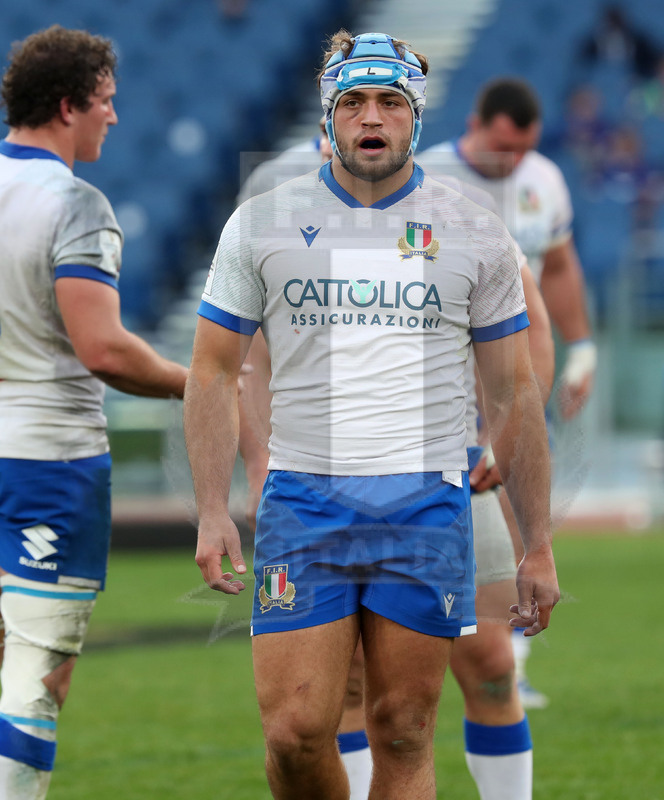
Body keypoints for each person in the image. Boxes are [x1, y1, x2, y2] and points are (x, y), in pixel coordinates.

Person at [184, 29, 559, 800]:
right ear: (328, 117)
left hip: (424, 504)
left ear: (416, 117)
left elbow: (514, 391)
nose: (371, 116)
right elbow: (216, 369)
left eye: (390, 101)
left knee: (403, 729)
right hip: (303, 503)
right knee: (294, 736)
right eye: (352, 102)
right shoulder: (262, 223)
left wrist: (538, 543)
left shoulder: (473, 228)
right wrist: (213, 509)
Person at [0, 25, 188, 800]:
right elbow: (103, 350)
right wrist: (199, 382)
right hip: (48, 464)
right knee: (34, 677)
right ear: (70, 105)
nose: (115, 117)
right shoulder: (74, 204)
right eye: (106, 102)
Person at [420, 76, 595, 709]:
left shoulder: (544, 180)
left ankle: (510, 657)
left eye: (523, 150)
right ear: (475, 124)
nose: (512, 163)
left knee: (519, 507)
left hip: (515, 367)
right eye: (502, 148)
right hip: (446, 384)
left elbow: (559, 269)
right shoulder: (428, 175)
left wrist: (585, 349)